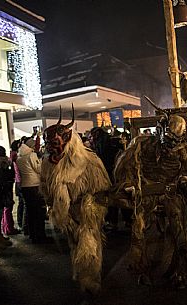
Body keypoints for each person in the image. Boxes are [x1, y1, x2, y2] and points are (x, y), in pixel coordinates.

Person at [114, 113, 187, 288]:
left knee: (178, 228)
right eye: (169, 138)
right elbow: (127, 167)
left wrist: (186, 180)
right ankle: (143, 269)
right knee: (141, 230)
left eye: (176, 140)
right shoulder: (142, 144)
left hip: (172, 192)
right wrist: (130, 184)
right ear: (161, 131)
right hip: (148, 192)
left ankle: (181, 269)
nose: (171, 145)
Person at [41, 110, 111, 294]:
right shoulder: (49, 164)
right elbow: (46, 187)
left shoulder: (89, 161)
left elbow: (102, 188)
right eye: (48, 144)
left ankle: (91, 279)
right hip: (68, 213)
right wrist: (53, 204)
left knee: (89, 242)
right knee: (73, 242)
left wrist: (89, 206)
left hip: (87, 211)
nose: (50, 147)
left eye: (53, 143)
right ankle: (79, 272)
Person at [17, 136, 49, 244]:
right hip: (34, 185)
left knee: (30, 212)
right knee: (39, 212)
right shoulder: (32, 155)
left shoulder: (20, 156)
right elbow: (39, 169)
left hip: (25, 186)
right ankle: (40, 236)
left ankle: (32, 234)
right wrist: (41, 160)